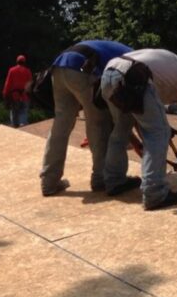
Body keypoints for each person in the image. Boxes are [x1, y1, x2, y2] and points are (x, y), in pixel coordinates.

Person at [99, 48, 177, 210]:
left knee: (121, 129)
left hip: (109, 73)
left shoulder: (169, 76)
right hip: (134, 75)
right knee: (158, 133)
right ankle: (154, 193)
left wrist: (154, 134)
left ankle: (114, 181)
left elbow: (141, 118)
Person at [40, 39, 132, 196]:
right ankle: (100, 178)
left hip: (59, 67)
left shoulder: (122, 50)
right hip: (81, 67)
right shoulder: (134, 59)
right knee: (98, 122)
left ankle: (49, 181)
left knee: (61, 125)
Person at [1, 54, 33, 128]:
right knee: (24, 114)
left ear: (17, 61)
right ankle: (23, 128)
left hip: (15, 97)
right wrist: (30, 96)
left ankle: (15, 131)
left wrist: (5, 95)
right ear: (24, 62)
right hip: (25, 96)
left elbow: (7, 84)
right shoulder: (28, 71)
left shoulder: (12, 70)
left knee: (14, 116)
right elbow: (30, 85)